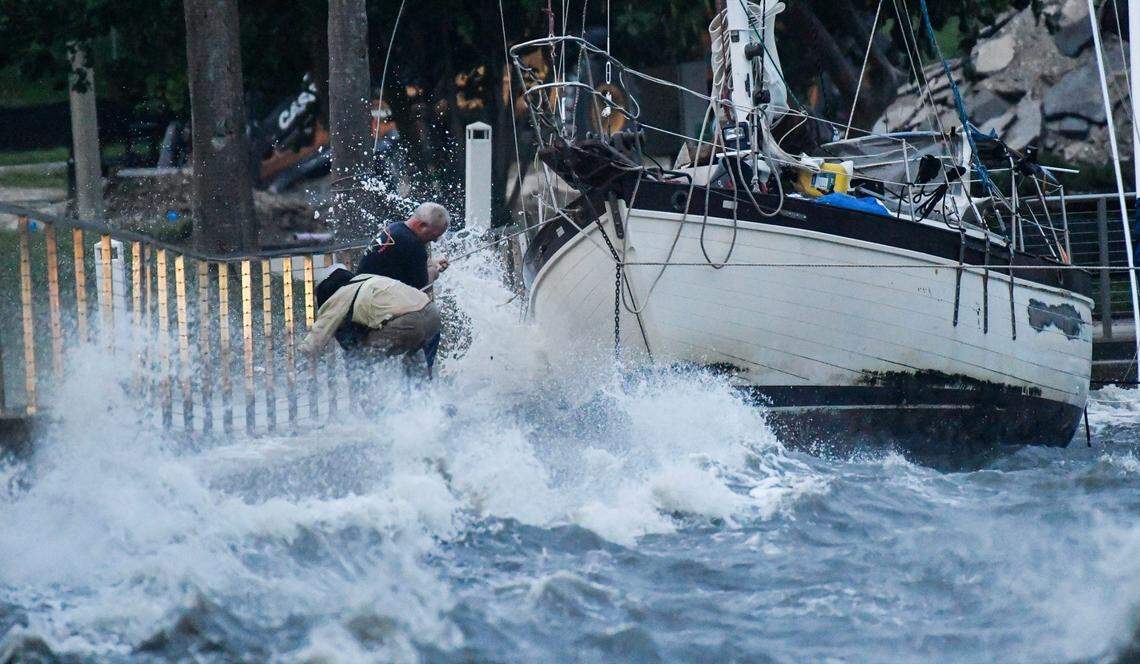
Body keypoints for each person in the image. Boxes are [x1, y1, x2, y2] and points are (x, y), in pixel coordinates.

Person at [300, 267, 441, 374]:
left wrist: (300, 361)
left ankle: (374, 410)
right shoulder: (370, 279)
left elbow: (316, 338)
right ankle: (424, 401)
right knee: (412, 359)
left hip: (408, 324)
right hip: (432, 315)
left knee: (359, 358)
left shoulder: (339, 295)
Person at [357, 201, 451, 289]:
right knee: (429, 307)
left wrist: (432, 263)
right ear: (422, 225)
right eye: (434, 235)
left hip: (360, 288)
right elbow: (421, 286)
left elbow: (407, 263)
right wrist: (434, 271)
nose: (435, 240)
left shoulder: (396, 227)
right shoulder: (413, 244)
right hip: (373, 297)